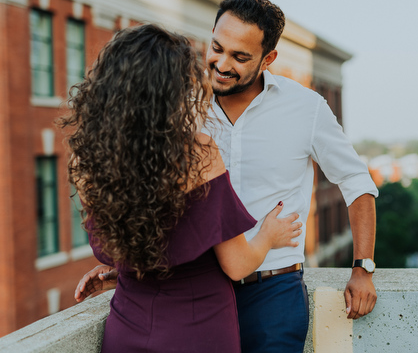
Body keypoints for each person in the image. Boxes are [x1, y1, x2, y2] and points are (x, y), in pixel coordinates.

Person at [76, 0, 379, 353]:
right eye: (217, 47)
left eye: (239, 57)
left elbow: (355, 181)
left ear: (268, 59)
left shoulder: (306, 108)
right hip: (196, 292)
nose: (221, 63)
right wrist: (137, 266)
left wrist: (363, 267)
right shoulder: (177, 105)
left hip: (271, 294)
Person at [62, 23, 302, 352]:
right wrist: (269, 234)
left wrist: (123, 269)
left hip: (126, 327)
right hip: (198, 328)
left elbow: (142, 242)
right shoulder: (196, 152)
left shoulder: (86, 159)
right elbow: (238, 265)